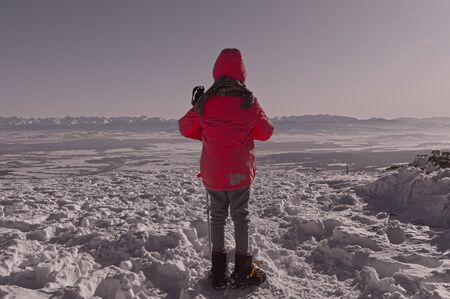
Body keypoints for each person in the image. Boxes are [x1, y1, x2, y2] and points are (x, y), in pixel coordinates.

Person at [179, 48, 274, 289]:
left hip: (214, 174)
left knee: (218, 218)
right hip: (240, 174)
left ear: (216, 71)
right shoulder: (248, 101)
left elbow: (185, 127)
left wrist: (200, 111)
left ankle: (219, 272)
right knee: (241, 217)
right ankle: (243, 270)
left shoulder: (206, 101)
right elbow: (266, 132)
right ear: (242, 72)